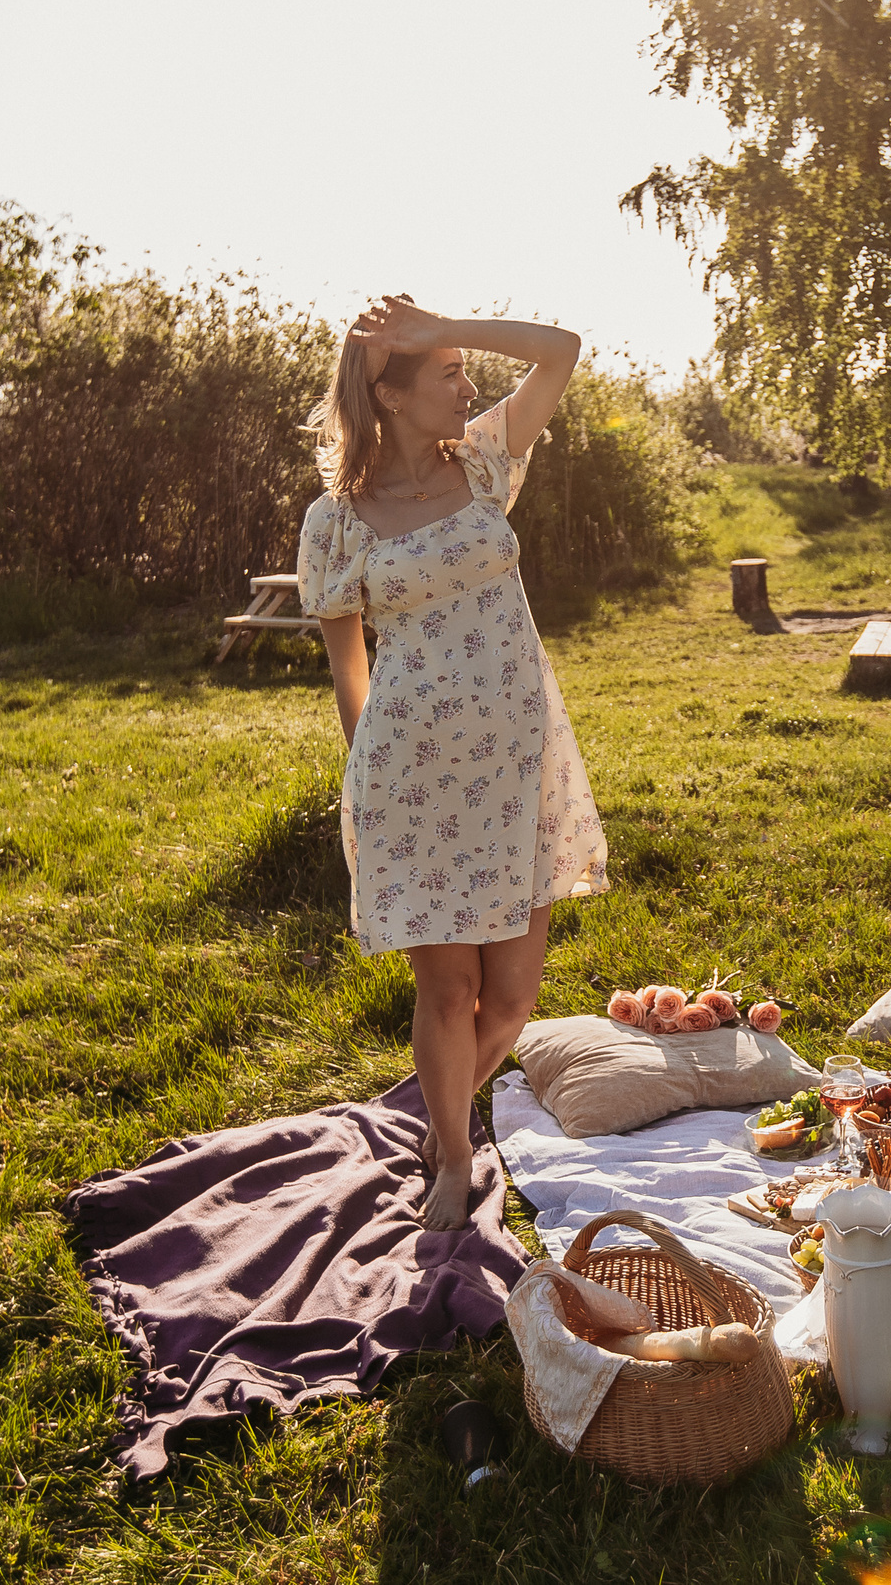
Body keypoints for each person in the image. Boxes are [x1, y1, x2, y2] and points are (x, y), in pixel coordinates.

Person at [296, 296, 609, 1229]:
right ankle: (453, 1151)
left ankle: (432, 1112)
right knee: (450, 988)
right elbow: (350, 672)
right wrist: (366, 787)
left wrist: (442, 324)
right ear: (389, 396)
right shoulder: (337, 522)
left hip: (516, 766)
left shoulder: (482, 463)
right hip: (412, 777)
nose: (467, 382)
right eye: (445, 372)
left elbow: (561, 349)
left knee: (511, 999)